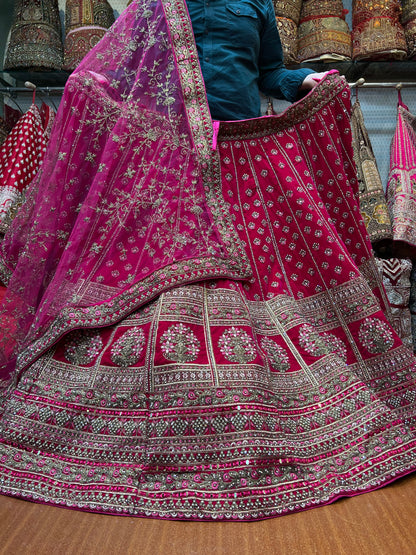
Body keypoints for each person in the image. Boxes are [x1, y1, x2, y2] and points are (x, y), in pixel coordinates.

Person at [0, 0, 414, 521]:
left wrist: (306, 81)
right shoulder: (158, 5)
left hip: (240, 159)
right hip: (168, 159)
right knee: (156, 288)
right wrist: (95, 93)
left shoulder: (256, 6)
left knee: (258, 286)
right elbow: (121, 69)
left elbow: (269, 74)